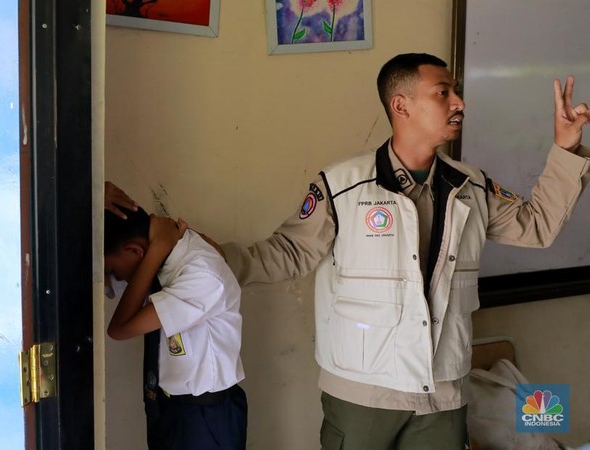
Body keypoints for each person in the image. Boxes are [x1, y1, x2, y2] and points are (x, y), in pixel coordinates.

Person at [210, 53, 590, 449]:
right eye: (443, 93)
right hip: (365, 390)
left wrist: (565, 149)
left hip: (442, 390)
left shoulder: (471, 187)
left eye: (456, 92)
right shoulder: (344, 186)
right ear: (401, 105)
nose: (459, 102)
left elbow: (538, 226)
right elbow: (286, 252)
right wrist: (208, 260)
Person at [104, 205, 248, 450]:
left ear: (135, 250)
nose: (115, 280)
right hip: (167, 405)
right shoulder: (163, 253)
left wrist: (156, 251)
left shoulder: (201, 274)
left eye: (114, 272)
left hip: (204, 419)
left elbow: (119, 328)